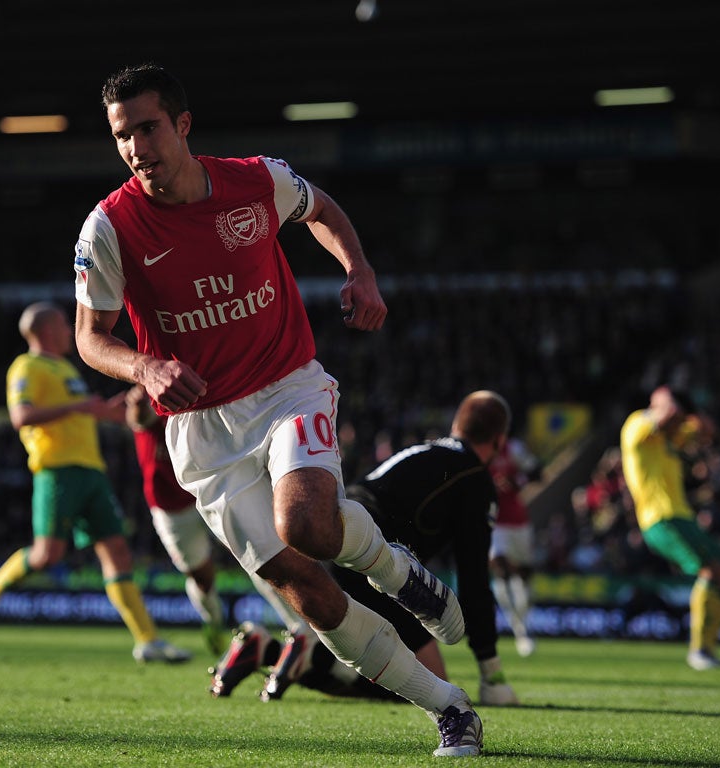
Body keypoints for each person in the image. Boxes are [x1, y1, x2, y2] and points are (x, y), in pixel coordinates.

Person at [72, 63, 482, 757]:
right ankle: (448, 706)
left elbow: (321, 209)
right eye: (122, 136)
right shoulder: (109, 227)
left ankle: (395, 571)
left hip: (287, 386)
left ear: (183, 125)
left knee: (308, 524)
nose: (136, 147)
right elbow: (90, 336)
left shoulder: (256, 181)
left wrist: (358, 270)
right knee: (308, 592)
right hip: (202, 432)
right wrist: (145, 367)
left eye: (148, 128)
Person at [214, 391, 520, 707]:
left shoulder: (425, 451)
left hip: (336, 538)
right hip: (375, 561)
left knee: (359, 650)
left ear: (457, 426)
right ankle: (313, 658)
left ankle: (267, 650)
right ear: (499, 440)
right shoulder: (474, 477)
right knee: (428, 682)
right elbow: (473, 577)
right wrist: (491, 672)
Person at [0, 301, 192, 664]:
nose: (69, 329)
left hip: (91, 472)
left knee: (117, 553)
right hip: (57, 471)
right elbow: (21, 416)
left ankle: (147, 640)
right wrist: (78, 407)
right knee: (47, 555)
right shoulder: (27, 367)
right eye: (62, 324)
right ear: (46, 330)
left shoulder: (67, 369)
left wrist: (122, 408)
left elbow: (90, 413)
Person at [620, 385, 720, 670]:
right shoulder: (636, 423)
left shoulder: (670, 438)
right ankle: (699, 651)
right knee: (709, 571)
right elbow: (667, 414)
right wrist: (668, 400)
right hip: (659, 518)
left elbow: (708, 429)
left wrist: (691, 411)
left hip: (682, 516)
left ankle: (708, 648)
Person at [125, 383, 227, 655]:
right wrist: (137, 405)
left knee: (254, 554)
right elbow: (139, 417)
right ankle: (213, 619)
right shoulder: (153, 392)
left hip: (210, 491)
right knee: (201, 577)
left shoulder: (204, 388)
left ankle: (299, 628)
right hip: (171, 506)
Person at [488, 436, 541, 657]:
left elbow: (537, 472)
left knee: (523, 574)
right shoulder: (477, 450)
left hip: (519, 523)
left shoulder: (514, 448)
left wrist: (517, 481)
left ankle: (525, 623)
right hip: (494, 523)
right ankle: (520, 630)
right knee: (500, 568)